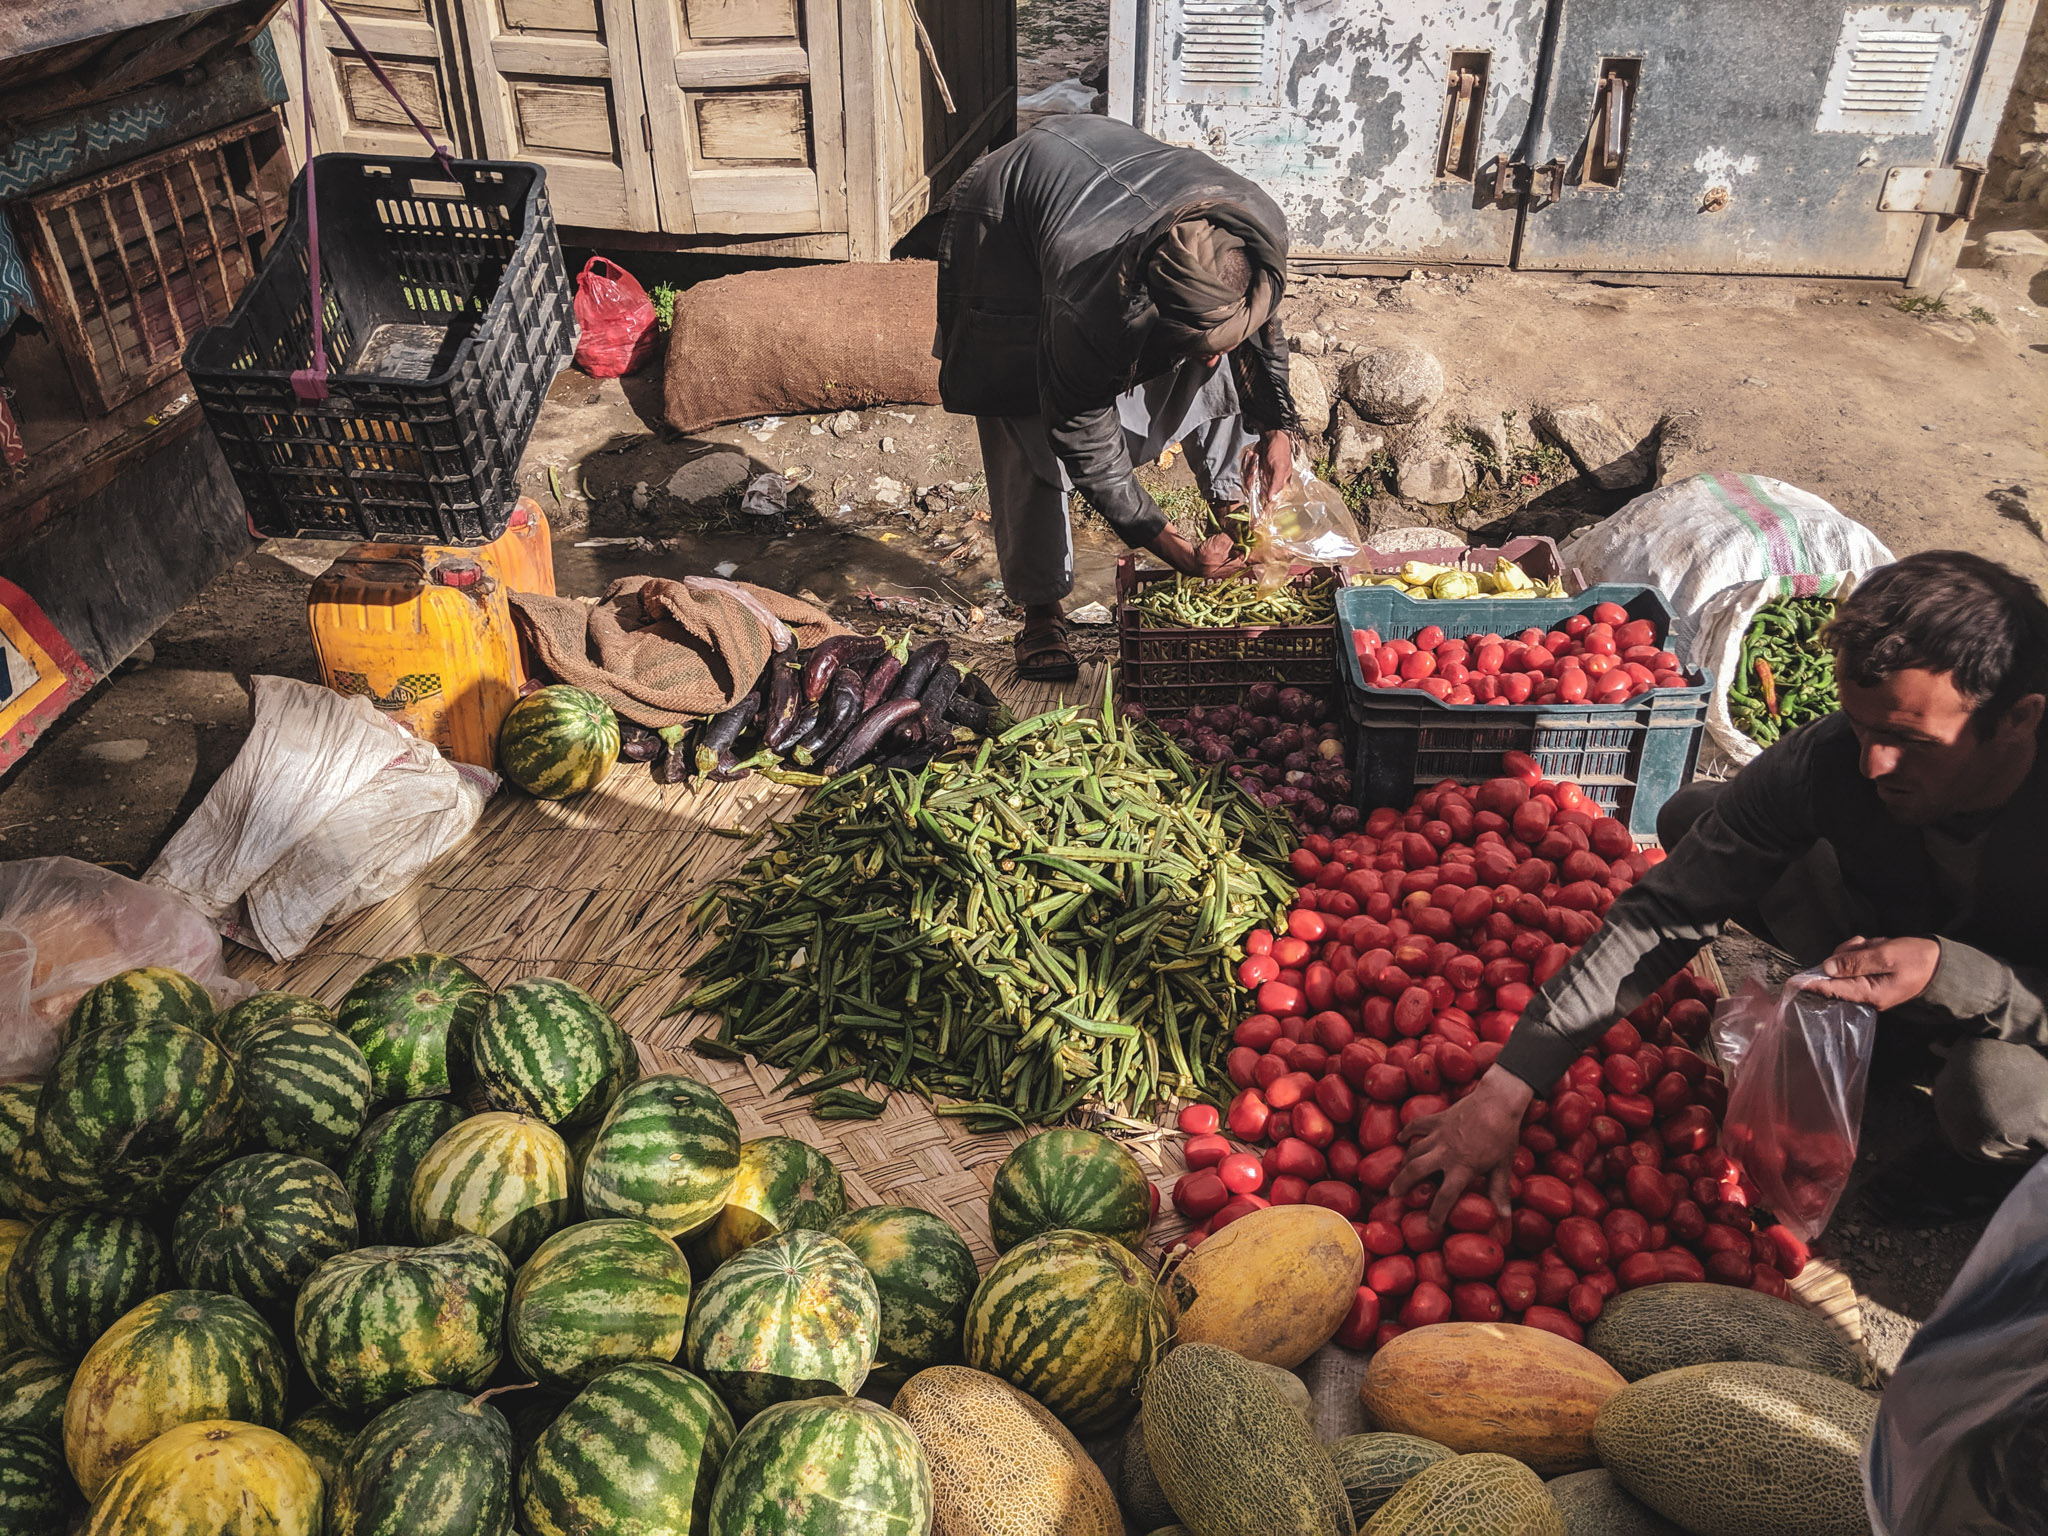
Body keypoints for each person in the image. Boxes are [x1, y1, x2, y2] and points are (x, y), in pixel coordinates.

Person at [1396, 551, 2048, 1229]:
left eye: (1908, 740)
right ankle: (1895, 1035)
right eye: (1861, 727)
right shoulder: (1835, 762)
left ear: (2018, 718)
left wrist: (1960, 979)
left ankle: (1979, 1173)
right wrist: (1509, 1084)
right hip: (1905, 933)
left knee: (1990, 1097)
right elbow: (1670, 907)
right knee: (1698, 820)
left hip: (2024, 1011)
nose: (1873, 764)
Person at [934, 115, 1301, 680]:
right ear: (1150, 301)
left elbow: (1259, 328)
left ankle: (1238, 517)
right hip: (1009, 226)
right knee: (1027, 420)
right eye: (1193, 341)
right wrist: (1170, 548)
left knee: (1222, 373)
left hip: (1116, 175)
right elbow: (1082, 438)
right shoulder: (1087, 303)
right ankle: (1039, 611)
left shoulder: (1255, 227)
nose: (1208, 357)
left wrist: (1277, 427)